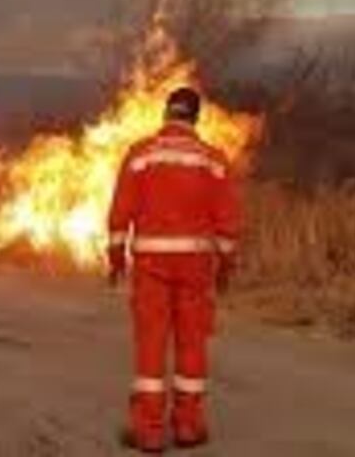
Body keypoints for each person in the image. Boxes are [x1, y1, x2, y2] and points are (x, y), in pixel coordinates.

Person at [107, 87, 241, 453]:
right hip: (196, 267)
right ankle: (188, 427)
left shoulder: (141, 154)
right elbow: (228, 222)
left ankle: (149, 432)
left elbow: (121, 212)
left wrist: (116, 255)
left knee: (151, 344)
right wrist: (226, 266)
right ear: (196, 118)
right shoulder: (213, 160)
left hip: (150, 265)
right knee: (192, 343)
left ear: (166, 114)